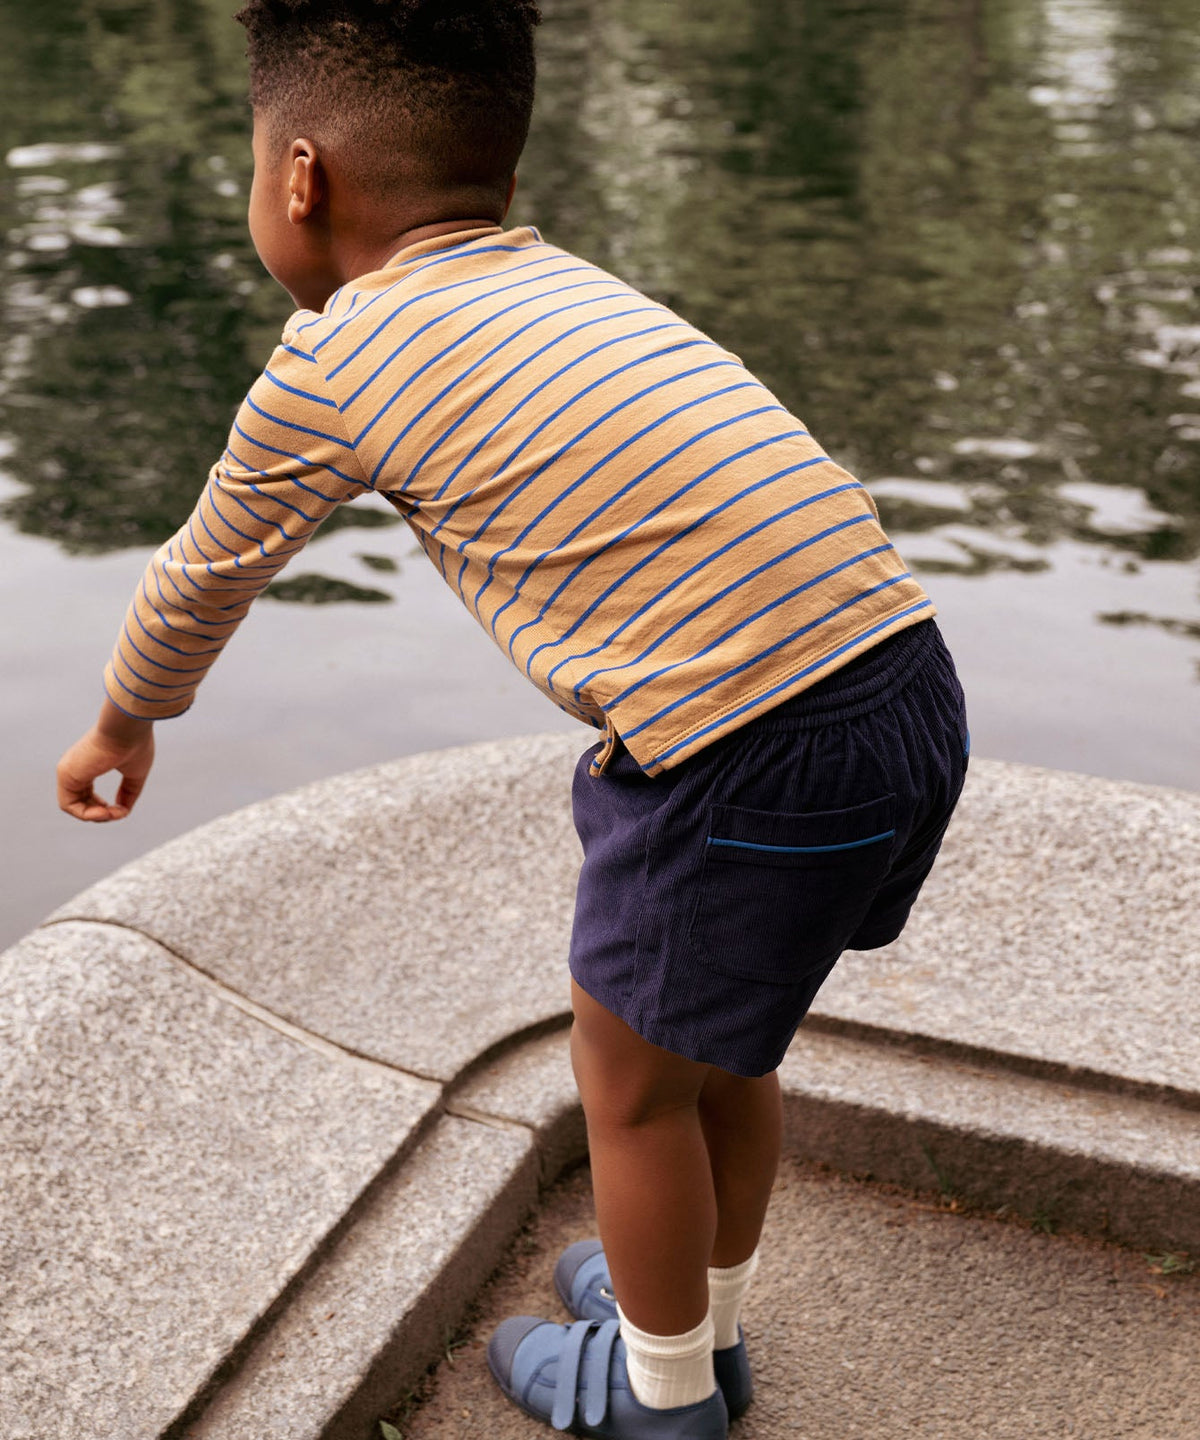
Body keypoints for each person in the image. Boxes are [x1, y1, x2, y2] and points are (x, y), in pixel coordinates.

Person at [55, 3, 969, 1436]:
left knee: (625, 1083)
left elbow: (207, 565)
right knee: (723, 1050)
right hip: (903, 681)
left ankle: (665, 1399)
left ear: (299, 177)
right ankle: (701, 1325)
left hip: (742, 744)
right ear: (507, 183)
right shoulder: (572, 288)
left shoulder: (340, 353)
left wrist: (123, 724)